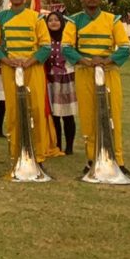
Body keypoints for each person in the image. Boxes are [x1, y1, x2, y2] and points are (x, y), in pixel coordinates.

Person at [62, 0, 130, 176]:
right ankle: (92, 159)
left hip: (109, 72)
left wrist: (106, 60)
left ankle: (117, 159)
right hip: (85, 73)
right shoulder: (73, 21)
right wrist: (85, 61)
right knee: (88, 117)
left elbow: (125, 47)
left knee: (113, 116)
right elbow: (66, 47)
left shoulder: (113, 20)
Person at [0, 0, 60, 168]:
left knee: (36, 111)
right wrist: (7, 60)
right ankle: (16, 155)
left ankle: (39, 157)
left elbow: (45, 46)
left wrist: (28, 61)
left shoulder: (36, 18)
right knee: (13, 111)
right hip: (9, 68)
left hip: (33, 68)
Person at [43, 11, 77, 156]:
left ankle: (69, 146)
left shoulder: (68, 38)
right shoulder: (44, 39)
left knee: (68, 114)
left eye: (57, 20)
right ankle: (57, 145)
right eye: (50, 20)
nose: (53, 22)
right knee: (54, 115)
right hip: (50, 79)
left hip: (66, 77)